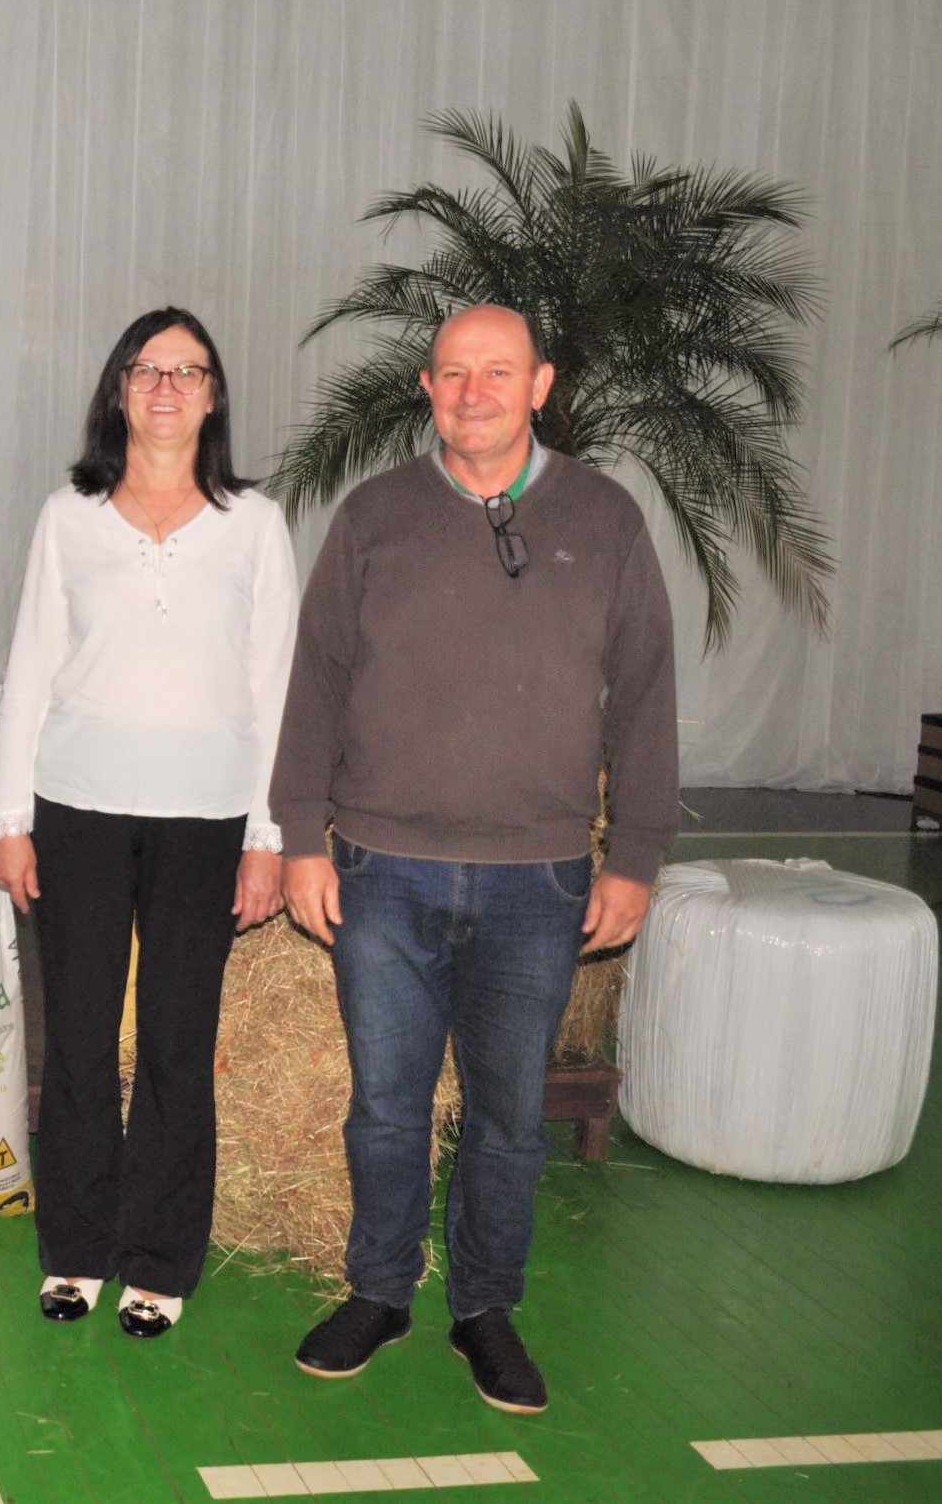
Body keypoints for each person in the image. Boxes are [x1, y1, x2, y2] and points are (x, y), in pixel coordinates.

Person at [270, 303, 678, 1414]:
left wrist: (635, 854)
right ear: (427, 387)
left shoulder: (604, 518)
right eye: (453, 373)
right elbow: (315, 680)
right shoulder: (373, 516)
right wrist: (301, 835)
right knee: (385, 1109)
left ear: (540, 384)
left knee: (506, 1120)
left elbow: (645, 693)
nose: (474, 392)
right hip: (381, 869)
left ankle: (484, 1308)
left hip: (538, 879)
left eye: (498, 371)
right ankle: (380, 1290)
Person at [0, 307, 298, 1340]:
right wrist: (9, 815)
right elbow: (30, 666)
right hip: (75, 807)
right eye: (147, 369)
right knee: (77, 1036)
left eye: (187, 371)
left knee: (175, 1038)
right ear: (119, 389)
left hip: (205, 817)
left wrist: (266, 836)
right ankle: (75, 1249)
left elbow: (275, 685)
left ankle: (159, 1258)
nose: (166, 387)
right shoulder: (68, 515)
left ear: (213, 395)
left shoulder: (255, 523)